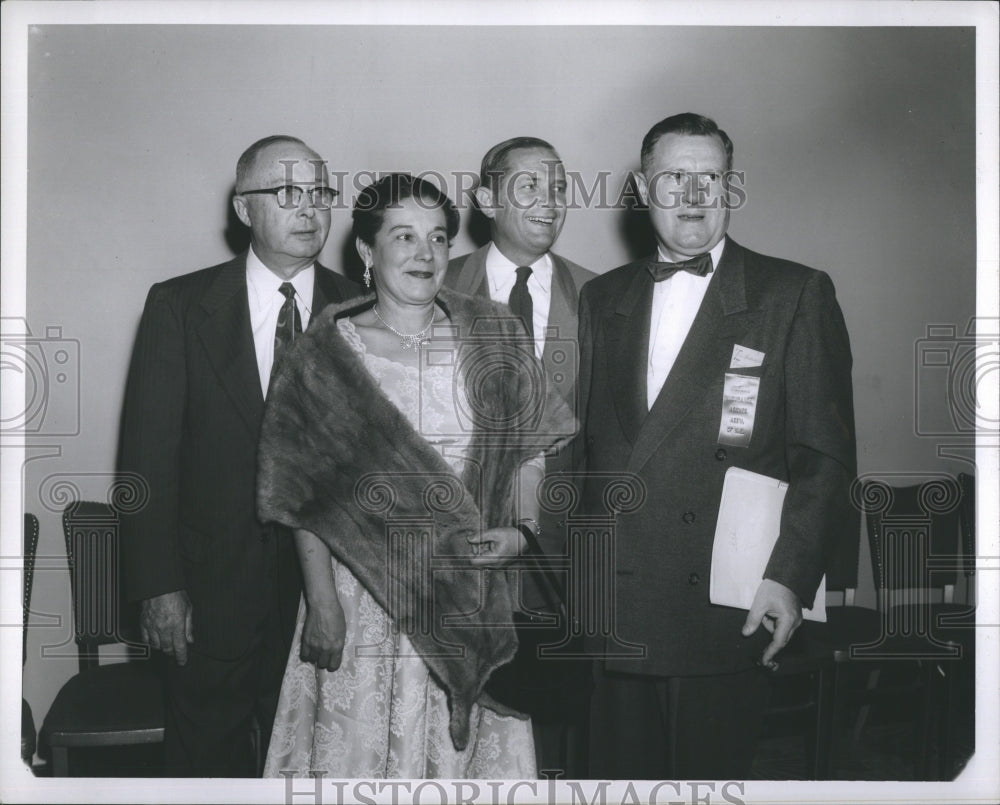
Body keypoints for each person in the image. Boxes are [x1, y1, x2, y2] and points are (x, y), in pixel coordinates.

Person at [256, 174, 575, 779]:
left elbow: (533, 451)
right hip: (367, 598)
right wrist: (322, 601)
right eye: (403, 236)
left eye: (437, 237)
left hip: (474, 596)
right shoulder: (323, 354)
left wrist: (522, 532)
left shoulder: (494, 333)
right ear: (366, 252)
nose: (424, 253)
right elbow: (301, 495)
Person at [576, 113, 858, 779]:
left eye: (711, 177)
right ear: (644, 190)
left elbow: (825, 457)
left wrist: (789, 578)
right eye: (676, 176)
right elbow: (584, 454)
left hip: (724, 604)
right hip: (614, 599)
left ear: (731, 189)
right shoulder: (601, 297)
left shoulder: (791, 293)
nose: (694, 194)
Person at [118, 135, 361, 776]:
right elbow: (145, 460)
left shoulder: (362, 311)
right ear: (243, 208)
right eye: (286, 193)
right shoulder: (179, 306)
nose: (308, 209)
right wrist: (159, 588)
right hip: (209, 594)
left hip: (331, 600)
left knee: (317, 766)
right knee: (206, 767)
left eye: (319, 193)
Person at [444, 138, 594, 775]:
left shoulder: (601, 296)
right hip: (457, 552)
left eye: (558, 186)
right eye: (528, 186)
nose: (549, 201)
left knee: (554, 736)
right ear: (484, 199)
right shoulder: (437, 284)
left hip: (563, 555)